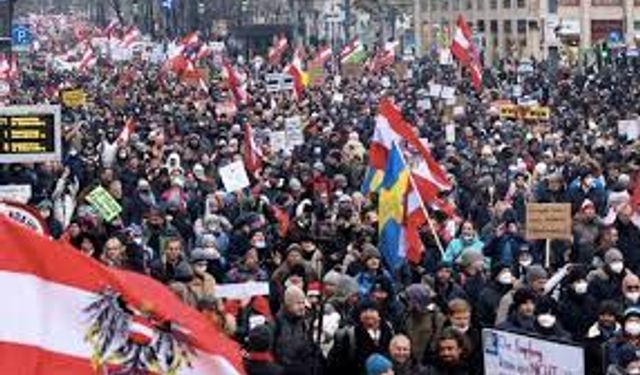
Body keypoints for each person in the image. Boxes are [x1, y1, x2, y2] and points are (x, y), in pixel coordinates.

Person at [327, 301, 394, 374]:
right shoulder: (350, 336)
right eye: (364, 311)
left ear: (379, 315)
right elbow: (335, 365)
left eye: (372, 310)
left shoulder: (389, 332)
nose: (368, 314)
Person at [272, 285, 318, 375]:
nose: (302, 307)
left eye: (302, 303)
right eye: (298, 303)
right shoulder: (276, 322)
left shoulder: (305, 322)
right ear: (288, 304)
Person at [398, 283, 445, 364]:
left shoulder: (436, 317)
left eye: (409, 299)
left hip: (430, 362)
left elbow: (437, 340)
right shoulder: (405, 316)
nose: (406, 303)